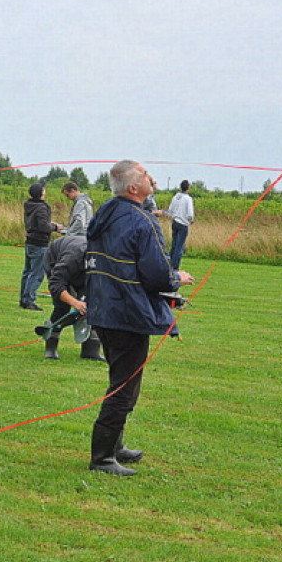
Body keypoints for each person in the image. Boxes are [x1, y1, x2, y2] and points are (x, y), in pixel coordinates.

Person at [85, 160, 194, 476]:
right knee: (124, 387)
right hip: (126, 313)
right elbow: (157, 275)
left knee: (122, 380)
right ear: (133, 187)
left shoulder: (105, 213)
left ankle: (115, 446)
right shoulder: (142, 222)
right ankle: (102, 457)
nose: (153, 178)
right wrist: (177, 277)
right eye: (146, 175)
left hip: (104, 309)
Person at [40, 234, 103, 360]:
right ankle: (51, 347)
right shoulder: (72, 257)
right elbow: (56, 284)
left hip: (81, 270)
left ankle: (91, 350)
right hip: (55, 259)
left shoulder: (104, 257)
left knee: (92, 306)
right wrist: (75, 302)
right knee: (62, 307)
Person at [20, 183, 63, 311]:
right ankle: (28, 300)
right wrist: (55, 227)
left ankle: (23, 298)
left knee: (27, 272)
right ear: (41, 193)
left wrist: (51, 224)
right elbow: (43, 226)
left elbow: (39, 223)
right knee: (36, 273)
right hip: (39, 243)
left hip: (30, 241)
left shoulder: (30, 205)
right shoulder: (41, 208)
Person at [167, 180, 195, 270]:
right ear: (188, 188)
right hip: (183, 224)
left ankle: (169, 264)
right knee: (179, 247)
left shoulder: (175, 197)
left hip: (174, 222)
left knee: (174, 245)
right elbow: (190, 213)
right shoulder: (188, 199)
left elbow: (170, 210)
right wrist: (191, 220)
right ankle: (175, 267)